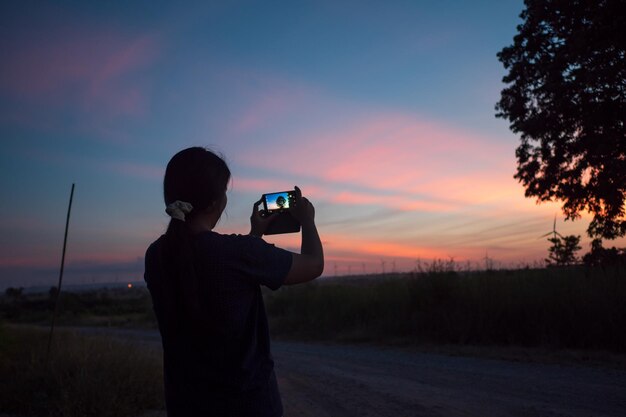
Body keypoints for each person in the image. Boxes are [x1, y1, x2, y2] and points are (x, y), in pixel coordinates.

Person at [144, 147, 323, 417]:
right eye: (225, 191)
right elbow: (313, 264)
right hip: (247, 405)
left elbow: (219, 273)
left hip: (185, 405)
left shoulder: (156, 255)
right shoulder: (237, 253)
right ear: (216, 202)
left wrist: (254, 237)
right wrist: (307, 220)